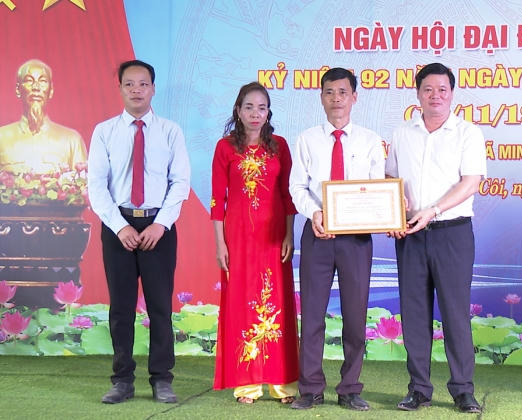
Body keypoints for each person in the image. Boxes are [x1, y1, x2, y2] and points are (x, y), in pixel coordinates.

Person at [88, 59, 190, 404]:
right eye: (129, 84)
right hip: (118, 226)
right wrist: (119, 227)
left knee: (160, 307)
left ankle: (162, 379)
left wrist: (161, 223)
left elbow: (180, 182)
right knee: (121, 308)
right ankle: (122, 380)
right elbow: (96, 186)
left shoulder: (170, 131)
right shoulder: (104, 132)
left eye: (143, 84)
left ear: (153, 89)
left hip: (158, 227)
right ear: (119, 88)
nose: (136, 90)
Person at [385, 62, 486, 413]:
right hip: (410, 234)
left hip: (452, 233)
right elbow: (391, 179)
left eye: (442, 89)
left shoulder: (468, 133)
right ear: (418, 94)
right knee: (414, 314)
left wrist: (434, 209)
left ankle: (463, 390)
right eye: (428, 89)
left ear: (452, 94)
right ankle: (418, 389)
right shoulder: (402, 133)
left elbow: (470, 183)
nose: (435, 96)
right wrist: (395, 207)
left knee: (455, 314)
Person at [289, 67, 385, 411]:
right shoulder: (307, 139)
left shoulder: (370, 141)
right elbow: (297, 187)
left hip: (356, 239)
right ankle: (310, 388)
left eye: (343, 92)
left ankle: (350, 389)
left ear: (354, 97)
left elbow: (377, 188)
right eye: (329, 92)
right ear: (321, 98)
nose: (336, 99)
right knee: (313, 314)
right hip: (317, 234)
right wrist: (315, 213)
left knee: (355, 316)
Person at [211, 82, 299, 404]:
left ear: (268, 112)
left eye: (262, 108)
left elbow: (288, 196)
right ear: (238, 110)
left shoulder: (280, 146)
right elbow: (217, 200)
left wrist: (289, 234)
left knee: (276, 303)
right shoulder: (225, 148)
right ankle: (247, 385)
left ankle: (283, 385)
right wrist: (220, 244)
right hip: (238, 238)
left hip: (273, 237)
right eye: (249, 107)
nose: (255, 114)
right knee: (242, 302)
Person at [0, 59, 86, 175]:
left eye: (43, 81)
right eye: (29, 80)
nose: (36, 87)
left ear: (51, 90)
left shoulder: (71, 140)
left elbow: (82, 183)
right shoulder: (2, 138)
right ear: (18, 90)